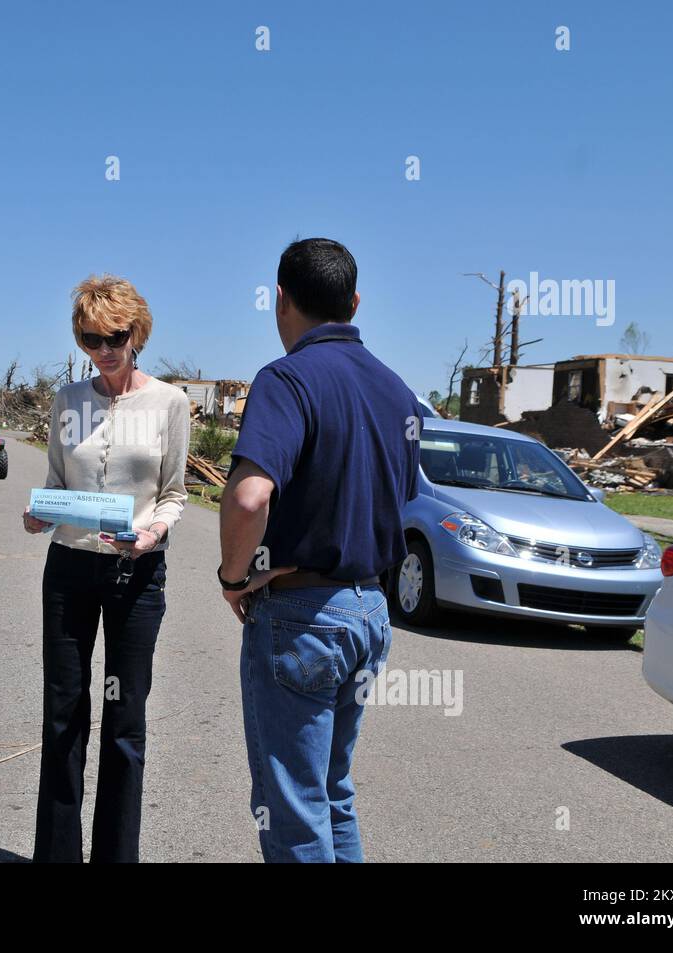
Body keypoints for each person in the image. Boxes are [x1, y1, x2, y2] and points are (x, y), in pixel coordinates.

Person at [218, 238, 420, 863]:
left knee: (293, 809)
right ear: (354, 302)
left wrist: (233, 577)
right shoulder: (397, 391)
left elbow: (250, 499)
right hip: (369, 613)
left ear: (280, 300)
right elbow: (402, 499)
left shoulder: (286, 379)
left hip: (303, 618)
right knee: (333, 794)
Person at [21, 274, 189, 863]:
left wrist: (152, 532)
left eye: (115, 336)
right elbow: (56, 483)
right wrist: (41, 513)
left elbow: (174, 493)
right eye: (92, 339)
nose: (105, 349)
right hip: (69, 569)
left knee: (125, 723)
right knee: (63, 715)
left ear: (136, 332)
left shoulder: (170, 402)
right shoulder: (68, 400)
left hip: (135, 576)